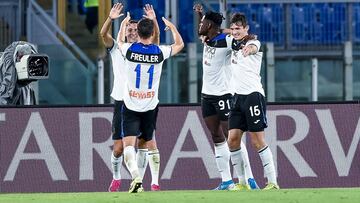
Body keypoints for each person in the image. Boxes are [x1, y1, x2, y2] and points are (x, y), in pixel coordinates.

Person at [117, 9, 184, 193]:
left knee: (128, 145)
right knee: (146, 143)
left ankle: (136, 177)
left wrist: (124, 23)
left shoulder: (129, 50)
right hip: (150, 106)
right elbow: (179, 44)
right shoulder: (160, 52)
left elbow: (119, 42)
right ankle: (151, 181)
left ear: (137, 33)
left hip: (131, 104)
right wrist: (171, 27)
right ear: (153, 33)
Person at [193, 4, 258, 190]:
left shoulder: (226, 40)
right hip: (207, 96)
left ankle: (248, 178)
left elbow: (240, 41)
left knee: (233, 138)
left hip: (224, 95)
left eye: (204, 22)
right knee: (216, 136)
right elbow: (203, 30)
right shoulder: (207, 38)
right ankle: (226, 181)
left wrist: (249, 40)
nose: (200, 25)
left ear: (211, 25)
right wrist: (200, 15)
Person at [99, 3, 161, 192]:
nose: (132, 32)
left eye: (135, 29)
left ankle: (139, 181)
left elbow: (157, 41)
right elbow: (103, 35)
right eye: (129, 29)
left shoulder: (147, 50)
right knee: (118, 148)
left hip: (143, 101)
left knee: (144, 143)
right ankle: (116, 177)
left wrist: (154, 21)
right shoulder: (118, 48)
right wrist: (110, 18)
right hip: (122, 101)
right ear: (124, 31)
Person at [227, 12, 279, 190]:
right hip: (237, 97)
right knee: (232, 140)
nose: (235, 32)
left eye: (238, 29)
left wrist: (248, 50)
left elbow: (253, 47)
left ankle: (272, 181)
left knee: (257, 141)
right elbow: (223, 32)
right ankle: (242, 182)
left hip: (253, 95)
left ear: (246, 28)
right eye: (232, 28)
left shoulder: (253, 42)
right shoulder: (233, 40)